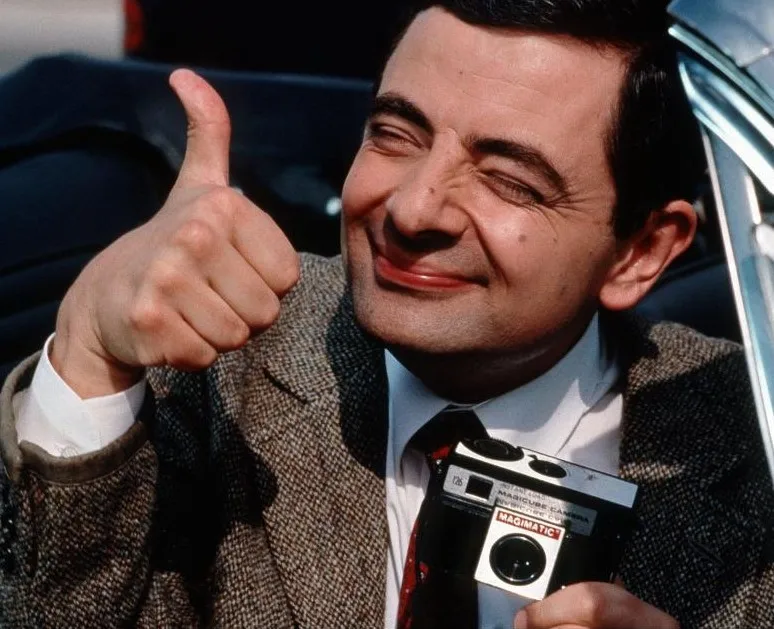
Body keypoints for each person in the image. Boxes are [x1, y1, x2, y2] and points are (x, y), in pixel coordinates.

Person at [1, 0, 772, 627]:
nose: (412, 208)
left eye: (509, 180)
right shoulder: (214, 354)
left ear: (642, 250)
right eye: (394, 135)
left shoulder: (755, 441)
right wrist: (89, 358)